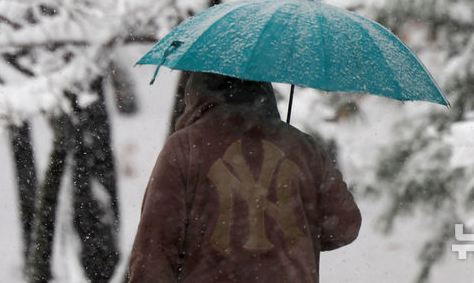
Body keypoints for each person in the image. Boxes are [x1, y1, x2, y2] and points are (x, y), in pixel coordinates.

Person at [128, 71, 361, 283]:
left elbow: (154, 251)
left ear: (197, 91)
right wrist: (291, 232)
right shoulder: (303, 148)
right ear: (263, 88)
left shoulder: (185, 148)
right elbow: (344, 226)